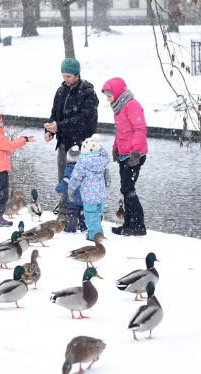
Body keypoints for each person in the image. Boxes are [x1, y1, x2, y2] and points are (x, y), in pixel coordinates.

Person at [44, 58, 99, 215]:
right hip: (63, 142)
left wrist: (59, 126)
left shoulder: (88, 93)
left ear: (77, 75)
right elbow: (54, 114)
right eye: (63, 76)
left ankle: (82, 211)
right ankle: (65, 208)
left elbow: (84, 119)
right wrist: (50, 130)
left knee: (81, 179)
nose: (65, 79)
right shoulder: (60, 91)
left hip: (82, 144)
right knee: (63, 177)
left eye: (68, 76)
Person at [101, 77, 148, 236]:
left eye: (109, 95)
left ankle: (138, 225)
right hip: (123, 154)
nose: (108, 99)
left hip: (134, 155)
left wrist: (135, 152)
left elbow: (140, 129)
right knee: (125, 189)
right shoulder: (118, 107)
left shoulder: (132, 105)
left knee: (128, 188)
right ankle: (129, 224)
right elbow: (121, 131)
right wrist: (115, 148)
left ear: (117, 92)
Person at [0, 112, 36, 227]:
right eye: (0, 121)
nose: (3, 123)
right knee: (2, 194)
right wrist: (24, 139)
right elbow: (11, 145)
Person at [67, 134, 111, 241]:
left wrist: (71, 189)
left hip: (89, 195)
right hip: (101, 194)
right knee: (97, 213)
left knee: (90, 215)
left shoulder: (82, 162)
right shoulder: (102, 159)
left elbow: (75, 178)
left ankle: (95, 235)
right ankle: (96, 231)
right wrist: (99, 145)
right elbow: (107, 156)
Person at [54, 145, 86, 233]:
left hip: (73, 197)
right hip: (84, 196)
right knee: (83, 213)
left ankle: (71, 228)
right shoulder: (84, 168)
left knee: (72, 213)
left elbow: (65, 182)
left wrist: (58, 189)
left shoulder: (69, 169)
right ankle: (84, 227)